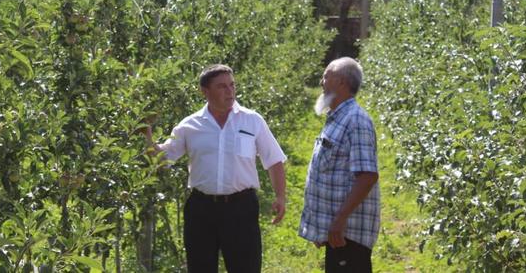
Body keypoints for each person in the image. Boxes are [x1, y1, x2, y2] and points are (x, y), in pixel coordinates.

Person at [141, 64, 287, 273]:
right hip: (202, 208)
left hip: (241, 208)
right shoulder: (190, 126)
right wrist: (147, 135)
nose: (230, 91)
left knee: (245, 267)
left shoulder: (251, 120)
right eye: (222, 87)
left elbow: (273, 160)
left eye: (232, 85)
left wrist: (280, 196)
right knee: (201, 267)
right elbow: (162, 159)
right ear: (205, 92)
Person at [299, 57, 380, 272]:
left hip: (348, 234)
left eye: (326, 76)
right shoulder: (338, 118)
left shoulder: (356, 120)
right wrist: (322, 226)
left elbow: (367, 176)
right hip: (338, 233)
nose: (321, 82)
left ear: (342, 82)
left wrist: (339, 221)